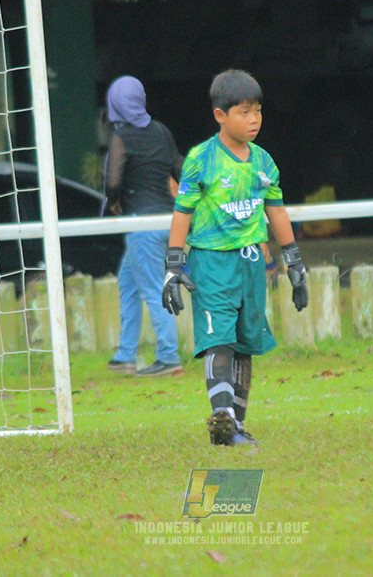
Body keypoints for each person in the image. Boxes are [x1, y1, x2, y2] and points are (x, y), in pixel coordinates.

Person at [162, 69, 308, 446]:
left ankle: (235, 426)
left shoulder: (264, 162)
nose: (254, 119)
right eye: (244, 111)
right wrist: (174, 263)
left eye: (257, 110)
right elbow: (183, 211)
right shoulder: (201, 160)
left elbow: (276, 211)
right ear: (220, 116)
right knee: (218, 340)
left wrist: (294, 261)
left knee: (246, 342)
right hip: (213, 262)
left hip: (251, 264)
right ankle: (221, 414)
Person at [103, 76, 186, 376]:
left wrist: (115, 202)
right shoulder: (161, 131)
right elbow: (179, 166)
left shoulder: (120, 136)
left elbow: (113, 183)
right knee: (128, 282)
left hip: (142, 224)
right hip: (169, 219)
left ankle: (168, 357)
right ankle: (125, 355)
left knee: (153, 289)